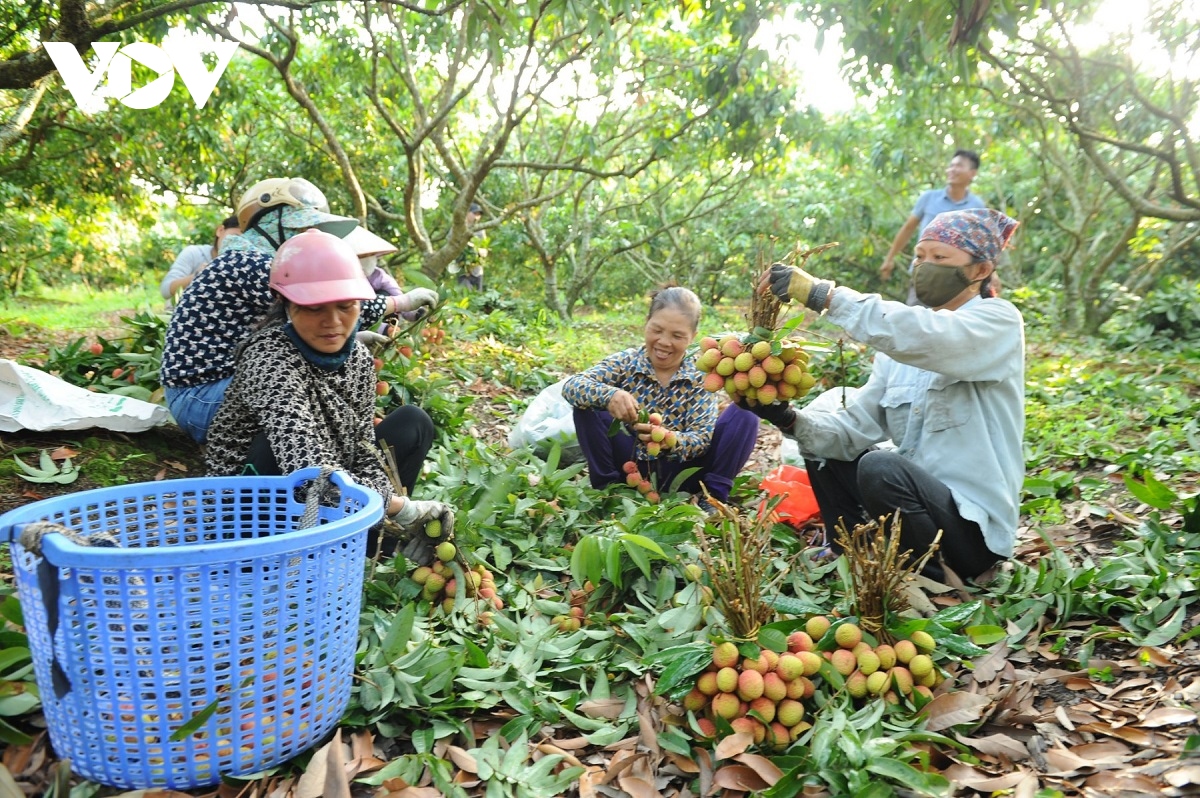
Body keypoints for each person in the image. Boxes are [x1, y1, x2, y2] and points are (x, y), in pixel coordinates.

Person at [753, 208, 1024, 582]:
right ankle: (846, 549)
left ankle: (935, 579)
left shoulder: (999, 323)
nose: (925, 266)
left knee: (880, 467)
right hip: (917, 510)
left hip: (972, 530)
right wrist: (787, 417)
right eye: (920, 256)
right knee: (824, 448)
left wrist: (823, 296)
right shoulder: (899, 353)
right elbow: (853, 430)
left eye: (940, 258)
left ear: (980, 270)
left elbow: (929, 336)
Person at [205, 229, 452, 559]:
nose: (333, 322)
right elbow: (306, 469)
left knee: (413, 422)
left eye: (345, 306)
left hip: (331, 486)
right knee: (274, 451)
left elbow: (364, 448)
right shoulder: (268, 358)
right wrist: (400, 506)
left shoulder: (359, 359)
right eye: (314, 308)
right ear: (286, 305)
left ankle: (375, 544)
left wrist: (392, 507)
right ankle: (270, 557)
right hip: (251, 514)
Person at [160, 177, 440, 444]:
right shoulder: (246, 263)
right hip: (199, 397)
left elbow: (290, 326)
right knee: (306, 392)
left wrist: (345, 340)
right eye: (299, 231)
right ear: (271, 228)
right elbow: (322, 298)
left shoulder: (251, 261)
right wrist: (398, 303)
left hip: (223, 388)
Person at [562, 286, 759, 505]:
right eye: (657, 330)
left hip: (684, 473)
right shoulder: (626, 363)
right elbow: (572, 385)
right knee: (585, 405)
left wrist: (670, 440)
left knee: (746, 413)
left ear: (692, 337)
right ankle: (610, 493)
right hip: (630, 468)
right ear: (646, 322)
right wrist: (610, 395)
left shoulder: (699, 376)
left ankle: (712, 499)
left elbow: (702, 438)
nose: (664, 342)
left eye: (677, 336)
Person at [880, 149, 986, 305]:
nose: (952, 170)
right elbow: (908, 229)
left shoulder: (976, 206)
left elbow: (980, 244)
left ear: (972, 173)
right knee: (914, 321)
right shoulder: (928, 198)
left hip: (958, 280)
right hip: (924, 274)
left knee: (949, 325)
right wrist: (889, 259)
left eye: (959, 166)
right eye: (951, 166)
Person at [159, 215, 241, 307]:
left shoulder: (242, 267)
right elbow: (166, 290)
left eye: (243, 241)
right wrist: (199, 275)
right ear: (220, 231)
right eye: (235, 237)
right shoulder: (194, 253)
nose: (238, 244)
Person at [451, 203, 486, 291]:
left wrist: (480, 251)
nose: (477, 217)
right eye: (474, 214)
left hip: (477, 271)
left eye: (479, 215)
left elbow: (485, 250)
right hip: (463, 271)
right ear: (467, 213)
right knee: (466, 296)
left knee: (478, 299)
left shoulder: (480, 230)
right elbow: (450, 243)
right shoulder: (458, 228)